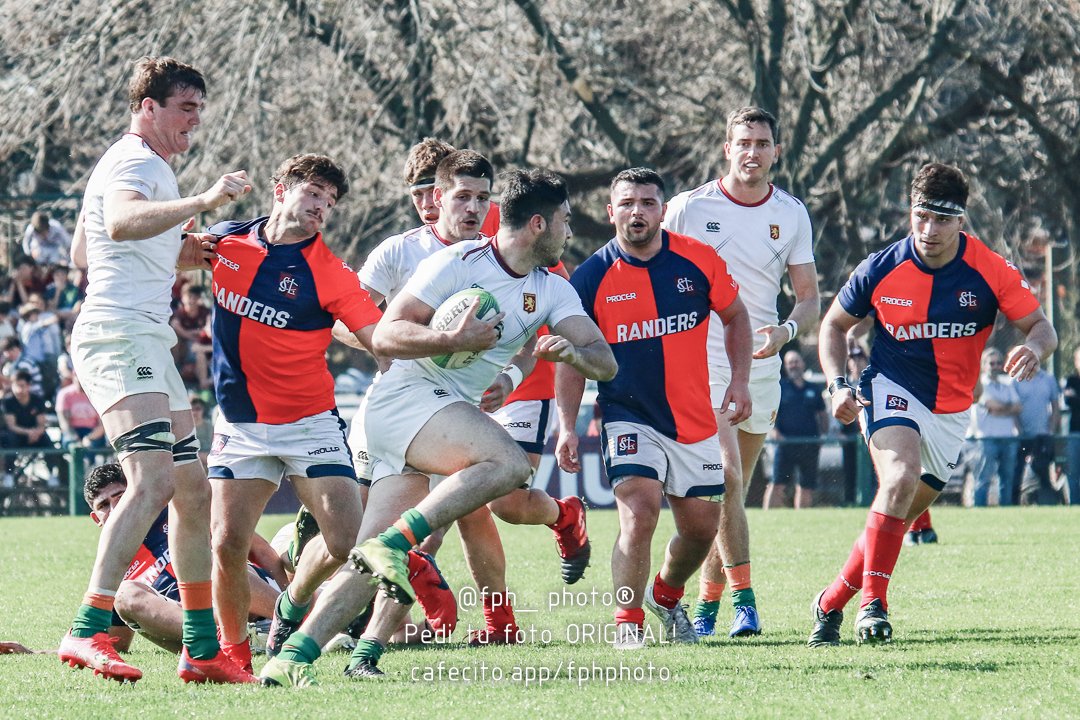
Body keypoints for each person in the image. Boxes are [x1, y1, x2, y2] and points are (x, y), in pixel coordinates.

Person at [258, 169, 617, 687]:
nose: (568, 232)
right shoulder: (455, 262)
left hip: (431, 414)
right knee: (509, 465)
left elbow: (607, 363)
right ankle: (395, 546)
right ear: (539, 224)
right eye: (563, 221)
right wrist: (451, 336)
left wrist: (575, 353)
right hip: (402, 399)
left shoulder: (552, 290)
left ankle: (290, 659)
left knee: (366, 559)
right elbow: (386, 334)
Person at [58, 55, 254, 684]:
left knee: (192, 490)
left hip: (146, 338)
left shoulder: (143, 167)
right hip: (118, 338)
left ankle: (200, 651)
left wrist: (179, 253)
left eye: (199, 110)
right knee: (151, 483)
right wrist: (201, 201)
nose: (193, 122)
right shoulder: (137, 161)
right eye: (184, 108)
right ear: (147, 107)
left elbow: (86, 247)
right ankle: (86, 630)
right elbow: (117, 221)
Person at [809, 162, 1056, 647]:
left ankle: (829, 603)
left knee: (894, 518)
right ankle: (872, 606)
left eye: (942, 219)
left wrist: (1036, 348)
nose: (929, 229)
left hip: (951, 412)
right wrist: (837, 384)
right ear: (909, 213)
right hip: (890, 387)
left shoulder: (990, 269)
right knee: (898, 478)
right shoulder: (881, 267)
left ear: (961, 220)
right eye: (921, 215)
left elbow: (1042, 327)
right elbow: (833, 326)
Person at [200, 154, 383, 675]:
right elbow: (168, 256)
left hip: (311, 423)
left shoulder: (330, 272)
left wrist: (442, 344)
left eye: (330, 201)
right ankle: (234, 657)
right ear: (281, 189)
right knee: (226, 543)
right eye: (314, 193)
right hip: (241, 423)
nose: (322, 206)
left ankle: (293, 600)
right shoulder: (225, 239)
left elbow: (377, 336)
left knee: (346, 542)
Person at [556, 168, 751, 648]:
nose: (637, 212)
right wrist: (566, 427)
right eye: (626, 203)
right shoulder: (591, 277)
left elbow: (736, 316)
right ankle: (628, 623)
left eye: (647, 202)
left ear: (663, 210)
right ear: (610, 212)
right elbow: (568, 357)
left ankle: (664, 596)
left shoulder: (698, 260)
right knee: (639, 513)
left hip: (694, 418)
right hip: (627, 413)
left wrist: (741, 381)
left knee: (702, 529)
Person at [662, 106, 819, 637]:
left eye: (763, 143)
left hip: (762, 366)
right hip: (703, 361)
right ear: (727, 149)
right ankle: (747, 602)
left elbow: (809, 299)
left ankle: (706, 605)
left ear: (777, 151)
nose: (752, 152)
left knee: (730, 493)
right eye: (743, 142)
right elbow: (648, 265)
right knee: (725, 478)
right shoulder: (687, 209)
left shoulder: (793, 214)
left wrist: (786, 333)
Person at [82, 463, 285, 653]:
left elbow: (257, 549)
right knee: (124, 594)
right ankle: (233, 639)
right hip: (197, 624)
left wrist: (287, 592)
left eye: (120, 498)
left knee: (214, 560)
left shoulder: (178, 509)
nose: (115, 509)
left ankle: (290, 621)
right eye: (104, 506)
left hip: (244, 599)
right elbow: (117, 641)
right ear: (95, 518)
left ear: (134, 496)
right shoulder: (112, 564)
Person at [763, 350, 826, 509]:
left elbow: (822, 414)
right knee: (777, 484)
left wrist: (823, 435)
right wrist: (774, 432)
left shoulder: (814, 388)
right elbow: (769, 412)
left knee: (806, 486)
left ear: (803, 364)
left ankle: (801, 517)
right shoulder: (780, 387)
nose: (794, 365)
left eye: (796, 361)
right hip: (785, 444)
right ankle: (767, 516)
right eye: (790, 362)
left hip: (810, 444)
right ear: (786, 366)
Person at [971, 348, 1021, 507]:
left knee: (1007, 479)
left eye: (999, 363)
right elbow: (993, 406)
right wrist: (1007, 408)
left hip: (1007, 437)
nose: (996, 366)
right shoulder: (979, 385)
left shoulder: (1007, 384)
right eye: (992, 363)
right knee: (983, 478)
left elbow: (1018, 407)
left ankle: (1006, 510)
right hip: (986, 439)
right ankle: (979, 510)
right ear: (984, 365)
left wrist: (1001, 409)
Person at [1012, 361, 1060, 505]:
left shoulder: (1048, 379)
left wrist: (1051, 430)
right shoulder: (1016, 379)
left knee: (1043, 472)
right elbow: (1014, 408)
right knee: (1017, 473)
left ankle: (1047, 503)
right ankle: (1013, 505)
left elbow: (1055, 406)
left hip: (1043, 436)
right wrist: (1019, 430)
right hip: (1023, 436)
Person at [1, 369, 58, 487]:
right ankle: (8, 475)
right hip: (17, 435)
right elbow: (11, 426)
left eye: (22, 386)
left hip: (35, 436)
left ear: (29, 385)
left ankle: (52, 474)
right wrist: (29, 432)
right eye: (16, 385)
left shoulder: (37, 400)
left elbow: (42, 423)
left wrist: (36, 432)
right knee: (9, 440)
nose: (19, 389)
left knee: (47, 441)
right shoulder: (8, 402)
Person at [1062, 347, 1080, 503]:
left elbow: (1074, 400)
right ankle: (1074, 504)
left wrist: (1077, 397)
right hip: (1075, 433)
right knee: (1073, 472)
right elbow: (1068, 401)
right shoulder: (1071, 381)